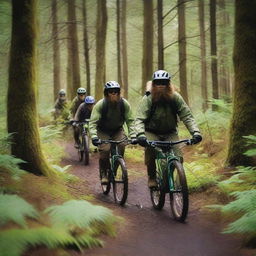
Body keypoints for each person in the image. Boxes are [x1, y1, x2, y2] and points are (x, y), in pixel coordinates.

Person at [135, 70, 202, 188]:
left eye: (164, 83)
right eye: (158, 83)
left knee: (178, 157)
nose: (161, 85)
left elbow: (186, 116)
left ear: (168, 84)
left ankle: (175, 182)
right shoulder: (148, 99)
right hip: (152, 132)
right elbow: (139, 119)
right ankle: (152, 177)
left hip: (170, 132)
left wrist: (195, 132)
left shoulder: (175, 97)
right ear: (154, 84)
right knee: (150, 150)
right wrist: (140, 135)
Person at [89, 81, 136, 184]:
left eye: (115, 91)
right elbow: (92, 123)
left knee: (122, 145)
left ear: (119, 92)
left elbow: (130, 121)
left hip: (117, 130)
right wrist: (94, 136)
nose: (113, 93)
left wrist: (133, 135)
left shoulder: (124, 104)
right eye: (111, 91)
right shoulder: (101, 105)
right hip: (102, 130)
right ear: (106, 93)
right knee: (105, 150)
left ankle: (114, 169)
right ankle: (104, 172)